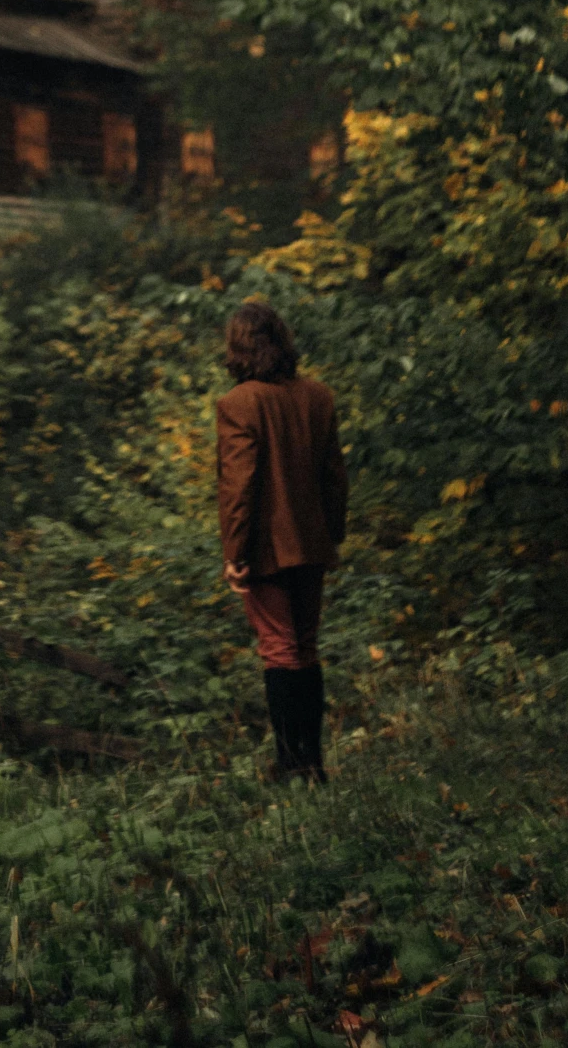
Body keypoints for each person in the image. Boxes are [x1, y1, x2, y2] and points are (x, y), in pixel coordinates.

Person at [216, 298, 348, 782]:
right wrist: (331, 533)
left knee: (279, 650)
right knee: (305, 648)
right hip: (311, 544)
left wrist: (235, 553)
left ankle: (293, 766)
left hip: (267, 549)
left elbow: (239, 483)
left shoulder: (239, 403)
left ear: (238, 347)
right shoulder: (318, 396)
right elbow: (335, 476)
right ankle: (312, 765)